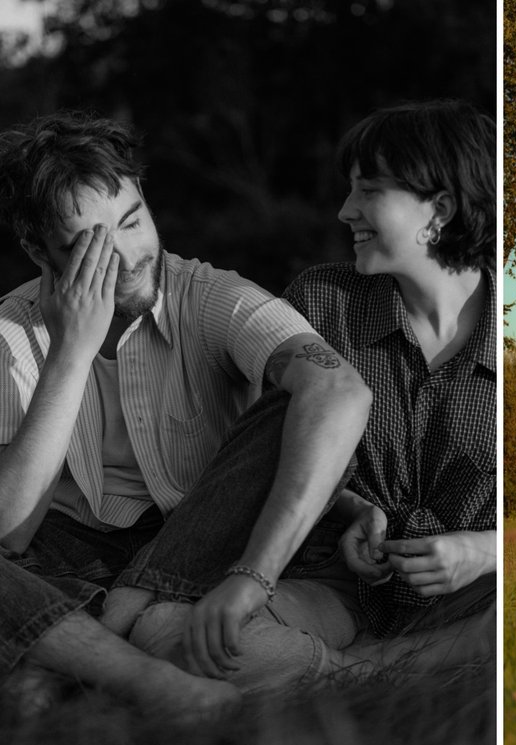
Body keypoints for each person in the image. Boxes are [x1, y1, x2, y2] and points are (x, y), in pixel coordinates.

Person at [0, 112, 371, 717]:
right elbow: (10, 532)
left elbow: (341, 391)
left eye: (132, 221)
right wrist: (70, 352)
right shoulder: (11, 328)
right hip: (70, 552)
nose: (126, 256)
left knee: (304, 405)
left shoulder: (209, 294)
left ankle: (91, 636)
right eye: (89, 247)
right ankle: (142, 675)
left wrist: (252, 577)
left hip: (210, 535)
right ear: (37, 251)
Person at [121, 99, 497, 695]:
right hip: (339, 586)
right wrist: (352, 507)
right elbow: (269, 451)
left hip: (483, 590)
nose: (346, 210)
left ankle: (347, 669)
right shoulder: (322, 302)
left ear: (440, 210)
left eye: (369, 190)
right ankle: (377, 670)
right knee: (168, 630)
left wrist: (485, 550)